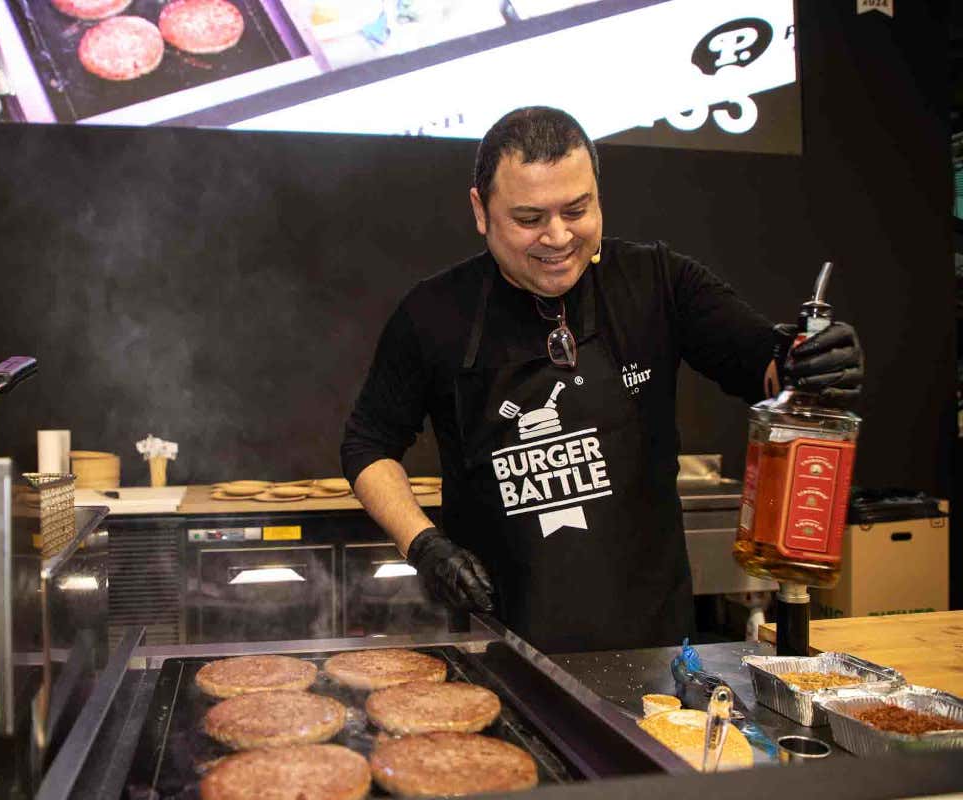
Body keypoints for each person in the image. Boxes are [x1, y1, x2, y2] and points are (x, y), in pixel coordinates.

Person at [339, 106, 863, 653]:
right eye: (529, 218)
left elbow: (763, 366)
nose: (558, 236)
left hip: (652, 645)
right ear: (480, 210)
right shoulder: (434, 313)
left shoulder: (659, 283)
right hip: (499, 641)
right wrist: (423, 544)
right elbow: (367, 444)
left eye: (576, 209)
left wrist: (812, 361)